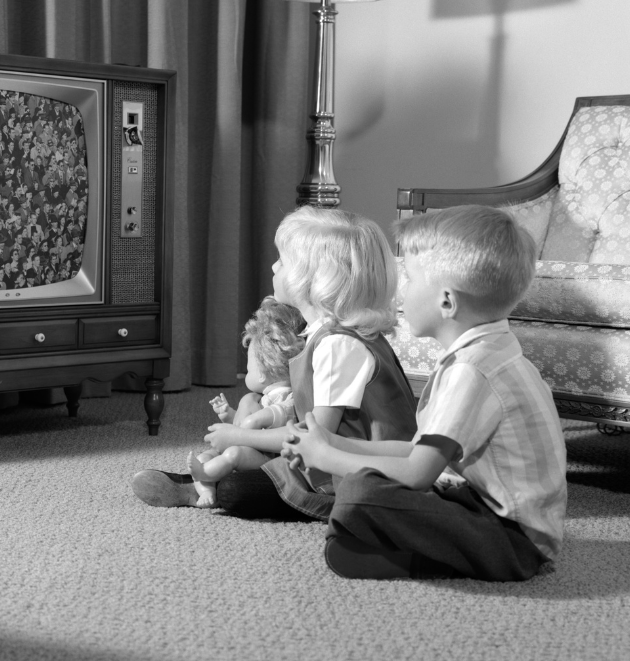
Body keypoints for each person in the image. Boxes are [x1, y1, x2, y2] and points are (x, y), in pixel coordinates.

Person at [281, 205, 566, 581]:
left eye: (411, 279)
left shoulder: (472, 371)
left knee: (362, 493)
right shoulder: (484, 352)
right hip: (485, 508)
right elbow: (416, 452)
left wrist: (327, 456)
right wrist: (333, 442)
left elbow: (416, 473)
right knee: (359, 486)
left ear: (447, 301)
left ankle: (416, 561)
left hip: (513, 542)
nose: (402, 291)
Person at [131, 207, 418, 521]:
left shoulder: (339, 345)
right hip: (338, 458)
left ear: (310, 279)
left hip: (361, 474)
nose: (273, 265)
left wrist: (240, 436)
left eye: (282, 261)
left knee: (237, 490)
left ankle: (203, 485)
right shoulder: (330, 335)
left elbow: (315, 436)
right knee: (243, 461)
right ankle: (203, 481)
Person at [189, 297, 305, 508]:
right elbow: (244, 426)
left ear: (262, 373)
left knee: (234, 453)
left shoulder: (286, 396)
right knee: (206, 455)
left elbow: (277, 415)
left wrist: (253, 420)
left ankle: (206, 476)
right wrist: (229, 414)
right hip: (253, 450)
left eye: (249, 368)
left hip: (269, 459)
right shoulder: (262, 398)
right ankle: (206, 490)